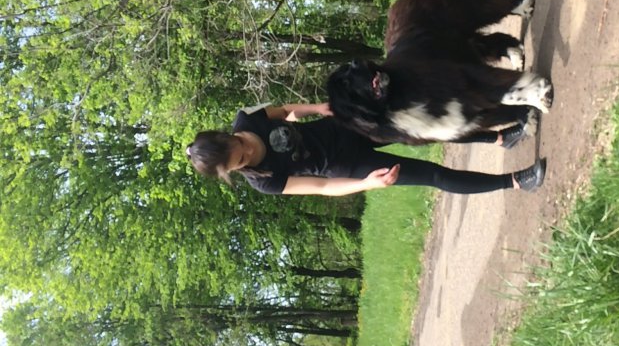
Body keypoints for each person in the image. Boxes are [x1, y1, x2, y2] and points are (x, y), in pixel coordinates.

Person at [186, 102, 546, 196]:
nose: (246, 158)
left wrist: (316, 109)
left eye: (241, 151)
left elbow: (282, 112)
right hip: (349, 164)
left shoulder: (247, 121)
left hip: (345, 126)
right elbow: (322, 188)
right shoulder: (263, 180)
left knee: (430, 128)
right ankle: (516, 181)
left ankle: (500, 137)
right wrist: (367, 184)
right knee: (435, 175)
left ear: (229, 137)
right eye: (239, 165)